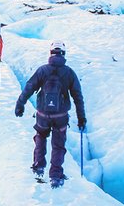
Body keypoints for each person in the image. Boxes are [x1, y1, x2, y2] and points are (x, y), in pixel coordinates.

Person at [14, 41, 86, 188]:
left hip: (42, 114)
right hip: (60, 116)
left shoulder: (42, 70)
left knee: (40, 137)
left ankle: (39, 167)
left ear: (51, 53)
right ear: (63, 54)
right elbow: (77, 96)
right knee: (58, 146)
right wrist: (81, 117)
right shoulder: (69, 73)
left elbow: (28, 88)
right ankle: (55, 176)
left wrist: (20, 104)